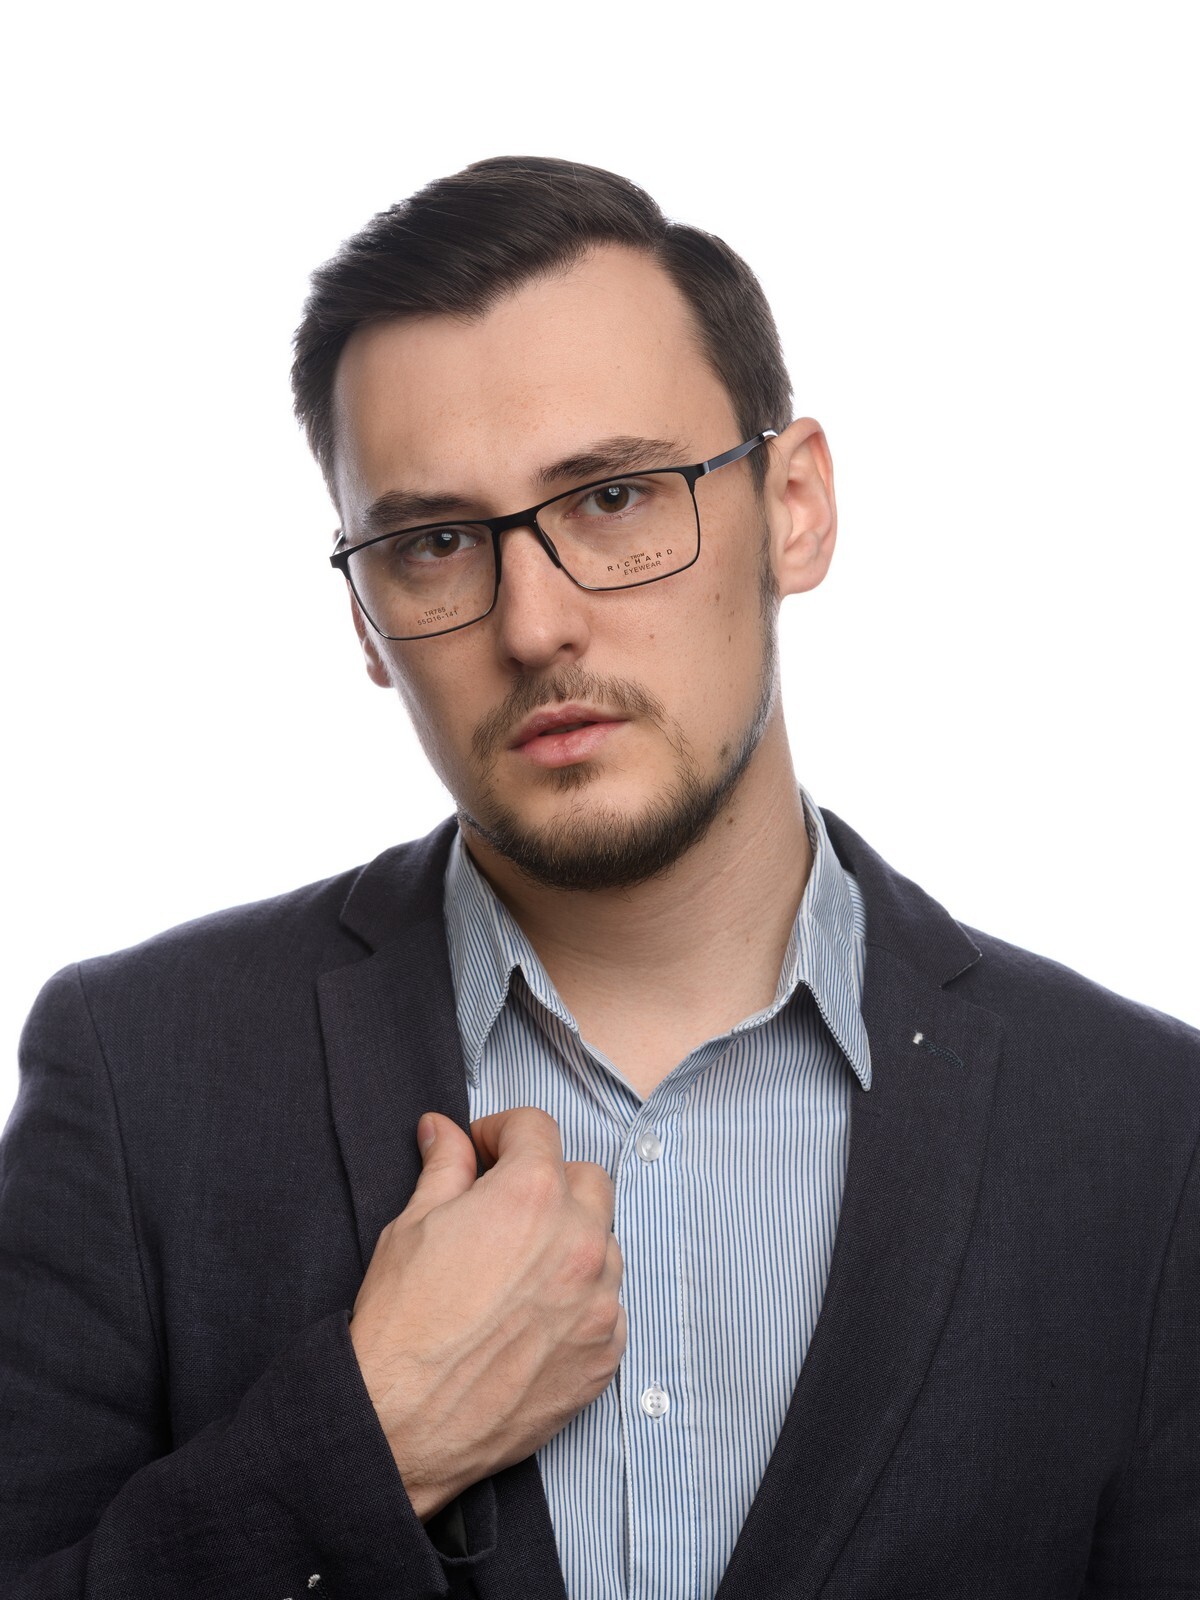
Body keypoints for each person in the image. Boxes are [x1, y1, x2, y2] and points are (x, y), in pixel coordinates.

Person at [1, 155, 1197, 1600]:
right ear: (367, 620)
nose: (535, 624)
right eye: (436, 542)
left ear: (796, 506)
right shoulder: (139, 1076)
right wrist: (367, 1442)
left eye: (616, 497)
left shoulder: (1149, 1136)